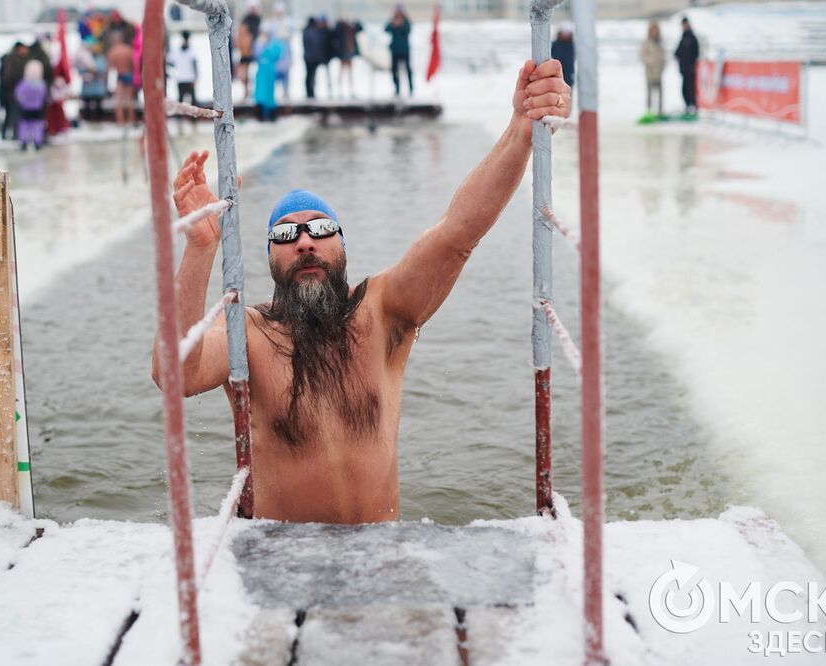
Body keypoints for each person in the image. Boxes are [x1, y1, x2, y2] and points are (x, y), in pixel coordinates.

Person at [154, 59, 572, 524]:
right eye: (286, 236)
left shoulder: (382, 311)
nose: (305, 242)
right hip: (282, 565)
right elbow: (176, 375)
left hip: (382, 563)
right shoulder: (247, 333)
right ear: (270, 258)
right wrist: (200, 246)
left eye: (320, 228)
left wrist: (520, 130)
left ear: (342, 245)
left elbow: (458, 233)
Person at [13, 60, 47, 151]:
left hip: (26, 108)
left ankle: (23, 141)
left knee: (24, 125)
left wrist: (22, 101)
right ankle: (37, 142)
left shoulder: (24, 83)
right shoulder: (41, 84)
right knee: (36, 125)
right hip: (37, 108)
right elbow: (44, 95)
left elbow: (17, 93)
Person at [253, 29, 283, 122]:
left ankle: (270, 114)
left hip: (270, 72)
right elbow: (256, 55)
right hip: (262, 72)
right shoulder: (259, 44)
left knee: (269, 92)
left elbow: (278, 55)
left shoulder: (274, 44)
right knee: (261, 92)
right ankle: (261, 114)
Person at [75, 36, 106, 124]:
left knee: (98, 105)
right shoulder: (83, 57)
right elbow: (80, 70)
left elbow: (102, 69)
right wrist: (89, 71)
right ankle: (87, 121)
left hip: (97, 87)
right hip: (88, 87)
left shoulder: (100, 58)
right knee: (87, 105)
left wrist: (95, 71)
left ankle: (98, 121)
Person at [107, 33, 136, 126]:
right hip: (128, 74)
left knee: (118, 100)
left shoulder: (112, 51)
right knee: (130, 100)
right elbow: (133, 63)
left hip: (119, 75)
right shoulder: (128, 50)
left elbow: (110, 67)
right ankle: (131, 120)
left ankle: (121, 121)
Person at [639, 20, 666, 117]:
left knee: (660, 93)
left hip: (659, 72)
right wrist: (651, 61)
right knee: (649, 93)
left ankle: (660, 111)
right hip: (650, 72)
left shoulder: (660, 42)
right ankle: (649, 111)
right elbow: (642, 55)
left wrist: (662, 65)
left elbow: (663, 56)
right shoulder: (646, 43)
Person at [674, 16, 699, 115]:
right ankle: (688, 106)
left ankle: (693, 106)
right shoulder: (683, 37)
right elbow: (677, 52)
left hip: (690, 69)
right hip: (684, 69)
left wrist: (692, 64)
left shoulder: (692, 37)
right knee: (684, 90)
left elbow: (696, 53)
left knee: (690, 89)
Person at [237, 1, 262, 99]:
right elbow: (240, 37)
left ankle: (256, 91)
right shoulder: (245, 21)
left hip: (257, 50)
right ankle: (246, 91)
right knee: (244, 73)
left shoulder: (259, 20)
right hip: (246, 51)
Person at [385, 6, 412, 97]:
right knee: (394, 70)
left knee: (408, 70)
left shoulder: (406, 21)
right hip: (395, 50)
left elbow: (408, 30)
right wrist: (394, 24)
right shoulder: (392, 21)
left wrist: (401, 24)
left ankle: (411, 89)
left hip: (404, 50)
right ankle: (397, 89)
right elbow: (386, 29)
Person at [334, 18, 363, 99]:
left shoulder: (352, 29)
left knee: (350, 74)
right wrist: (340, 23)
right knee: (341, 74)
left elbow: (361, 28)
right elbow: (335, 30)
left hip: (350, 54)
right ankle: (339, 92)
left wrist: (355, 22)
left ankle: (351, 91)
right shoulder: (341, 29)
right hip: (343, 54)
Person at [169, 31, 198, 107]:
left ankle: (193, 118)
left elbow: (195, 66)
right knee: (181, 100)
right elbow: (170, 62)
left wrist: (195, 78)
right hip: (181, 78)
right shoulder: (177, 52)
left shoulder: (191, 51)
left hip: (189, 78)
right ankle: (180, 117)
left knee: (193, 101)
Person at [302, 17, 328, 99]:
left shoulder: (305, 31)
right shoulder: (314, 32)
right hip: (313, 57)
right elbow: (316, 45)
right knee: (312, 75)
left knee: (308, 75)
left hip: (307, 57)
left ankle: (309, 92)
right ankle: (311, 92)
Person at [551, 21, 575, 90]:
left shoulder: (573, 45)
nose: (566, 34)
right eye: (565, 32)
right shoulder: (555, 44)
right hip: (556, 75)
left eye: (568, 32)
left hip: (569, 76)